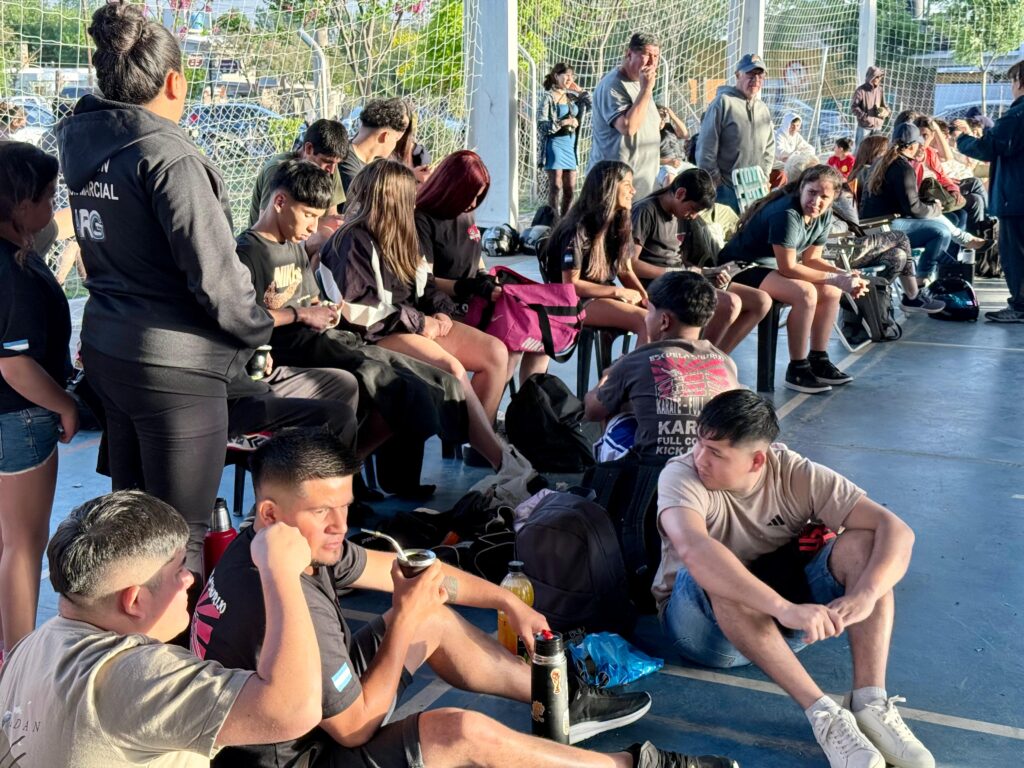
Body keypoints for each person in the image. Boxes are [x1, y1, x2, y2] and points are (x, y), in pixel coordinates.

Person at [193, 430, 737, 768]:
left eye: (346, 507)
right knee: (459, 732)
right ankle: (631, 767)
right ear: (270, 512)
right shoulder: (289, 597)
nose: (341, 526)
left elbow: (413, 572)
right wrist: (402, 619)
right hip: (300, 756)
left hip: (309, 705)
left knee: (428, 612)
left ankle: (561, 699)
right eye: (322, 512)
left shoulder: (278, 543)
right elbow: (355, 727)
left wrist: (507, 601)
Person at [56, 1, 274, 584]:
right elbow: (217, 279)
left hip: (110, 351)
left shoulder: (85, 149)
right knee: (180, 539)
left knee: (132, 529)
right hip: (174, 370)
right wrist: (259, 329)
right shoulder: (168, 156)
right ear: (174, 82)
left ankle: (127, 636)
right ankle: (171, 642)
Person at [655, 389, 934, 768]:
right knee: (717, 569)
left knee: (866, 546)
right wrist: (783, 608)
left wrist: (866, 594)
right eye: (699, 444)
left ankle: (870, 701)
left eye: (716, 453)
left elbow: (896, 529)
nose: (700, 458)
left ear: (758, 459)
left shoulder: (795, 473)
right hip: (703, 631)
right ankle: (824, 716)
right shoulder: (681, 474)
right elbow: (695, 549)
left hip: (779, 625)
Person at [0, 490, 324, 766]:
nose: (189, 579)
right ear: (134, 601)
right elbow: (294, 709)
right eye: (179, 568)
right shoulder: (134, 677)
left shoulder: (28, 649)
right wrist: (281, 571)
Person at [237, 158, 474, 467]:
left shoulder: (293, 244)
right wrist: (300, 315)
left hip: (326, 338)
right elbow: (244, 318)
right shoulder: (247, 253)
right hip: (291, 350)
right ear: (280, 202)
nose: (312, 228)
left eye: (317, 217)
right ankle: (346, 469)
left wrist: (324, 310)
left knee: (426, 384)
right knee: (395, 386)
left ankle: (352, 470)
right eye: (308, 215)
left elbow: (310, 300)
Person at [319, 159, 513, 471]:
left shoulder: (402, 232)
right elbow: (362, 312)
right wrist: (422, 323)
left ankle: (477, 442)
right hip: (375, 334)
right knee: (451, 369)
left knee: (495, 353)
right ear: (390, 198)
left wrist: (440, 311)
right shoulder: (350, 240)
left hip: (412, 323)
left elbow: (425, 284)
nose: (415, 201)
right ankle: (500, 461)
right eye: (410, 196)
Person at [0, 143, 76, 658]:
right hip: (19, 417)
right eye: (48, 196)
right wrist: (64, 404)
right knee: (23, 545)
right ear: (19, 203)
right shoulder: (14, 272)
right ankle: (19, 659)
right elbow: (15, 364)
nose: (53, 207)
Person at [717, 165, 867, 394]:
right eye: (812, 192)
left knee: (831, 291)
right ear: (801, 188)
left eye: (824, 197)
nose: (816, 201)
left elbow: (812, 259)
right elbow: (788, 268)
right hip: (740, 267)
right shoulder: (786, 213)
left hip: (770, 268)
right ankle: (797, 369)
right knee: (805, 293)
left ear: (833, 199)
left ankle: (818, 359)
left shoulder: (824, 215)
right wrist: (835, 278)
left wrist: (843, 275)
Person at [415, 150, 549, 385]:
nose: (473, 203)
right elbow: (425, 280)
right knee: (507, 345)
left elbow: (476, 257)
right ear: (451, 189)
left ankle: (531, 403)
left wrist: (486, 277)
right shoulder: (423, 219)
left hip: (475, 300)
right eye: (470, 196)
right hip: (444, 307)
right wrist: (468, 286)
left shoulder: (466, 213)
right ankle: (480, 406)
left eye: (478, 197)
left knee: (537, 337)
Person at [584, 271, 739, 458]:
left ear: (664, 321)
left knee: (613, 411)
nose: (646, 317)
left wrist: (608, 375)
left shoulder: (634, 361)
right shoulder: (726, 362)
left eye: (649, 312)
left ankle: (611, 472)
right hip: (708, 465)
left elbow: (592, 411)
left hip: (654, 470)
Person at [630, 167, 771, 353]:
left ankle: (715, 357)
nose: (694, 216)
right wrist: (677, 272)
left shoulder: (682, 215)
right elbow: (631, 264)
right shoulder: (645, 211)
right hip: (659, 284)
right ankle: (699, 357)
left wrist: (707, 273)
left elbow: (683, 260)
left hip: (682, 278)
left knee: (761, 301)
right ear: (680, 194)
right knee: (730, 303)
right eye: (693, 209)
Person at [540, 160, 650, 344]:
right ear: (608, 187)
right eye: (627, 185)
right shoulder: (577, 229)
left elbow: (625, 270)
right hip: (574, 300)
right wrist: (617, 292)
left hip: (602, 295)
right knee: (645, 321)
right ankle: (638, 364)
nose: (633, 191)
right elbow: (571, 285)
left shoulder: (619, 223)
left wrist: (645, 299)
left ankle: (646, 361)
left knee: (659, 317)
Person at [860, 123, 983, 284]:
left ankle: (950, 256)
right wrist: (935, 208)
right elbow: (914, 209)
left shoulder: (881, 162)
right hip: (887, 228)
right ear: (912, 146)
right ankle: (922, 279)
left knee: (943, 222)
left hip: (872, 225)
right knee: (941, 232)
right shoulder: (903, 168)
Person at [954, 59, 1024, 322]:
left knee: (1015, 254)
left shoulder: (1018, 114)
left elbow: (988, 148)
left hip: (1015, 198)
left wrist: (962, 137)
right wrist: (991, 128)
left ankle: (1020, 306)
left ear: (1019, 81)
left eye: (1013, 80)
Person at [248, 118, 349, 249]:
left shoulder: (328, 169)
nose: (332, 170)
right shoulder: (279, 169)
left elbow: (331, 215)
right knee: (322, 240)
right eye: (327, 161)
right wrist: (320, 224)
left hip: (303, 236)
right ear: (309, 148)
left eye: (336, 164)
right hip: (273, 243)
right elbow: (267, 224)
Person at [697, 54, 775, 213]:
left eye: (760, 76)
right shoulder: (722, 103)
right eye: (750, 75)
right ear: (738, 75)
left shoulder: (763, 109)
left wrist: (764, 176)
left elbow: (769, 148)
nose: (756, 80)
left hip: (755, 188)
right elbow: (706, 146)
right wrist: (716, 181)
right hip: (727, 189)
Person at [589, 33, 662, 198]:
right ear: (629, 54)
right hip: (614, 186)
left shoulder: (641, 83)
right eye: (647, 55)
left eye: (656, 56)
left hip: (643, 184)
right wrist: (646, 89)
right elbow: (628, 127)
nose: (652, 62)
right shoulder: (613, 84)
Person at [339, 98, 410, 193]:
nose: (395, 145)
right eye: (396, 139)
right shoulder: (345, 162)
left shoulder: (374, 165)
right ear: (385, 136)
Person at [540, 63, 582, 215]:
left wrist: (580, 91)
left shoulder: (571, 97)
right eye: (566, 75)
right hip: (555, 145)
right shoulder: (548, 97)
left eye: (572, 76)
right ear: (556, 76)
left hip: (570, 147)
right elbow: (542, 125)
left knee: (570, 189)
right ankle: (553, 221)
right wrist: (563, 123)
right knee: (556, 187)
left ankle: (565, 221)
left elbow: (591, 104)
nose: (570, 78)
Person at [773, 111, 815, 187]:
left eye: (797, 126)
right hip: (777, 164)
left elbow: (810, 148)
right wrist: (796, 155)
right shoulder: (779, 135)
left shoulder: (796, 136)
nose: (795, 128)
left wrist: (798, 155)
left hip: (790, 162)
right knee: (797, 170)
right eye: (792, 126)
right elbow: (780, 153)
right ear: (787, 125)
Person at [656, 104, 693, 188]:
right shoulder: (650, 132)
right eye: (659, 117)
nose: (662, 120)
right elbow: (650, 159)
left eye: (663, 117)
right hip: (664, 165)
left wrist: (673, 116)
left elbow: (685, 134)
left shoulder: (668, 126)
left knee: (699, 174)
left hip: (680, 163)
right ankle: (669, 196)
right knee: (669, 178)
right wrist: (668, 161)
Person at [851, 66, 890, 144]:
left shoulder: (880, 90)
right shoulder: (861, 90)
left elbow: (884, 105)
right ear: (871, 77)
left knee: (876, 151)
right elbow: (854, 107)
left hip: (878, 127)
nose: (879, 78)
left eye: (880, 77)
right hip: (864, 128)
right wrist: (865, 117)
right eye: (877, 77)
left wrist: (886, 111)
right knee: (861, 149)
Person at [848, 134, 889, 203]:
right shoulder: (867, 172)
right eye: (886, 151)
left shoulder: (859, 171)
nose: (888, 154)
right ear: (875, 152)